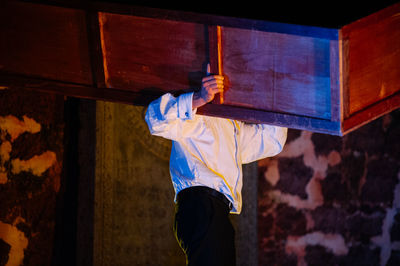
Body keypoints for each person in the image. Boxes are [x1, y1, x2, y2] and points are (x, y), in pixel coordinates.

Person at [145, 71, 287, 266]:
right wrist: (198, 98)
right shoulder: (196, 116)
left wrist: (276, 91)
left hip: (213, 211)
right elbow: (155, 119)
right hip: (200, 204)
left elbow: (272, 141)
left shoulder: (233, 128)